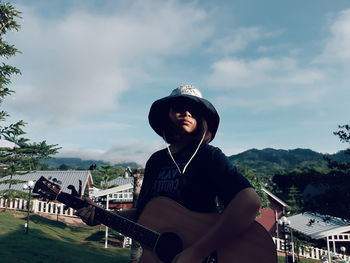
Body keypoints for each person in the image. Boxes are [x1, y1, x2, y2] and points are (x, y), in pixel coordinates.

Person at [77, 85, 261, 263]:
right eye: (180, 108)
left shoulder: (209, 156)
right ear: (168, 115)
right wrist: (102, 216)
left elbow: (250, 202)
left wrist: (197, 252)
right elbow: (142, 215)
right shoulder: (156, 161)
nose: (187, 113)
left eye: (194, 110)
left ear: (201, 119)